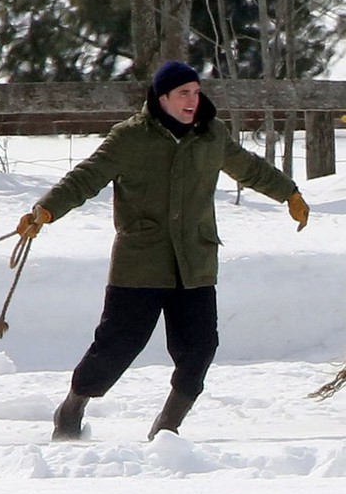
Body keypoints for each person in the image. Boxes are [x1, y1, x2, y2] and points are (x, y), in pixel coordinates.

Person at [16, 60, 310, 441]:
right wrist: (47, 209)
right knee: (117, 347)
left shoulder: (211, 135)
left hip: (195, 263)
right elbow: (85, 177)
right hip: (139, 264)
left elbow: (248, 167)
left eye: (196, 91)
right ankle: (72, 407)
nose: (192, 100)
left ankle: (167, 428)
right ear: (162, 97)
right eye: (183, 93)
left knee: (200, 349)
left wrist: (288, 192)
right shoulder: (130, 138)